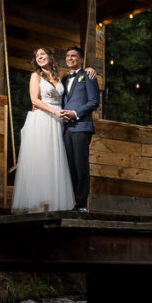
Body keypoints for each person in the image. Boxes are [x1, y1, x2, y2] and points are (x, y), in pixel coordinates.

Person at [11, 48, 76, 213]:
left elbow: (74, 70)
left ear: (50, 56)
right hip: (43, 118)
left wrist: (89, 70)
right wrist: (54, 111)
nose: (39, 57)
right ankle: (40, 202)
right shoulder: (36, 76)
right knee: (43, 158)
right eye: (37, 56)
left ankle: (54, 202)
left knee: (56, 159)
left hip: (58, 122)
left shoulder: (59, 74)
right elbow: (34, 99)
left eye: (42, 54)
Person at [59, 45, 100, 213]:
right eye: (68, 56)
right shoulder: (63, 79)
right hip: (66, 129)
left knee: (80, 165)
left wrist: (75, 113)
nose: (70, 58)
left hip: (81, 126)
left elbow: (93, 102)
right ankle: (72, 201)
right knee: (69, 166)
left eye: (74, 56)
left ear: (81, 59)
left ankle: (82, 204)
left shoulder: (88, 76)